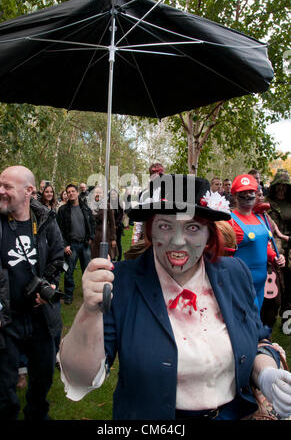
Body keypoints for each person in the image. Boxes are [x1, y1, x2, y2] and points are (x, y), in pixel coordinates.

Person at [59, 174, 291, 420]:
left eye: (192, 227)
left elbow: (255, 340)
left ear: (209, 234)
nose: (178, 242)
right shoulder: (121, 283)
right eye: (165, 226)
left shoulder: (234, 273)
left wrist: (265, 374)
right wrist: (89, 311)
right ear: (150, 231)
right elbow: (81, 377)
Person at [0, 165, 65, 420]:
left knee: (42, 380)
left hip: (40, 318)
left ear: (28, 191)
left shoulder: (46, 219)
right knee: (2, 391)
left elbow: (58, 257)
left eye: (7, 187)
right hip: (5, 320)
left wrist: (50, 284)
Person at [229, 174, 285, 312]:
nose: (248, 196)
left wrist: (275, 257)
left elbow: (265, 244)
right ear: (235, 196)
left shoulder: (261, 218)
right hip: (242, 284)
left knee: (256, 319)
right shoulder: (229, 221)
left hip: (261, 282)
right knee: (247, 321)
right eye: (243, 192)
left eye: (251, 192)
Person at [57, 183, 95, 305]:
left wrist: (91, 237)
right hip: (71, 246)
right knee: (69, 271)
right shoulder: (63, 210)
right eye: (68, 192)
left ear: (77, 193)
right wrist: (65, 245)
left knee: (88, 271)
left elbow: (92, 223)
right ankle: (68, 295)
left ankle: (88, 293)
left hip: (84, 245)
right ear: (66, 195)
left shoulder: (85, 207)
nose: (71, 193)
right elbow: (59, 229)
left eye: (73, 191)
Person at [266, 170, 291, 330]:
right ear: (274, 186)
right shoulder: (267, 203)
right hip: (274, 248)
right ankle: (269, 318)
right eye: (278, 185)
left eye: (285, 186)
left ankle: (287, 319)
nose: (281, 189)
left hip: (290, 246)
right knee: (276, 285)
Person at [87, 185, 116, 260]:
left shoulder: (108, 205)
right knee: (95, 259)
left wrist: (113, 238)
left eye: (100, 192)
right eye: (96, 192)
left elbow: (112, 223)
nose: (98, 194)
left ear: (103, 194)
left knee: (106, 258)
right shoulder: (90, 206)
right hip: (94, 236)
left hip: (105, 235)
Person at [108, 189, 124, 261]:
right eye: (111, 194)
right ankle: (113, 257)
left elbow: (121, 215)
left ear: (117, 195)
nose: (113, 195)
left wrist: (116, 224)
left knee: (118, 242)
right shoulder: (108, 203)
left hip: (118, 226)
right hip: (110, 226)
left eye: (114, 194)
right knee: (111, 242)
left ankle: (119, 258)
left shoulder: (119, 203)